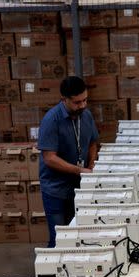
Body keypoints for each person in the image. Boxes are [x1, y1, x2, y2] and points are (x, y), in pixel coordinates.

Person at [37, 76, 99, 247]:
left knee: (78, 236)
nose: (83, 106)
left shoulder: (85, 115)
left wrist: (92, 164)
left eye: (85, 100)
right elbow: (49, 158)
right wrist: (80, 170)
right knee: (60, 239)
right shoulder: (51, 120)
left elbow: (93, 141)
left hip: (79, 187)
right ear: (64, 99)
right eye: (77, 102)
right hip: (56, 190)